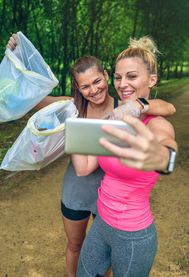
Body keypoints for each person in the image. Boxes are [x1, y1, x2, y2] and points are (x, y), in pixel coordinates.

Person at [6, 35, 176, 277]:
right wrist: (19, 58)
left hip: (106, 198)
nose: (93, 90)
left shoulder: (123, 107)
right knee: (77, 246)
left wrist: (161, 153)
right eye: (85, 86)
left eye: (98, 81)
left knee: (102, 260)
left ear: (105, 76)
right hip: (81, 190)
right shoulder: (73, 107)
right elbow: (36, 101)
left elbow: (166, 110)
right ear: (78, 88)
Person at [71, 36, 178, 277]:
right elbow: (83, 167)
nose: (122, 84)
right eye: (118, 78)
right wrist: (71, 132)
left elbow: (166, 146)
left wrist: (163, 159)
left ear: (152, 80)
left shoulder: (155, 123)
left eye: (131, 76)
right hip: (100, 226)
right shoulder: (116, 120)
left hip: (133, 236)